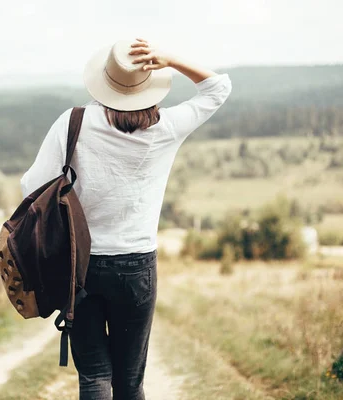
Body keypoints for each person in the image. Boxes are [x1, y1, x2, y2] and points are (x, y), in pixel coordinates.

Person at [20, 38, 232, 400]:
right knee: (130, 382)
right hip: (137, 267)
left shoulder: (73, 123)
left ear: (104, 81)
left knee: (94, 378)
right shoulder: (167, 127)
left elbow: (31, 186)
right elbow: (217, 88)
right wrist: (168, 59)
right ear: (150, 87)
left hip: (80, 266)